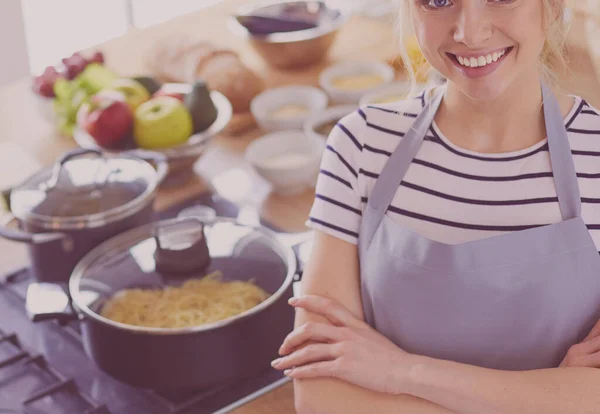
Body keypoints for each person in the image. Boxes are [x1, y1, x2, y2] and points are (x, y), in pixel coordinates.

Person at [270, 0, 600, 413]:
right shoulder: (362, 145)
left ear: (551, 7)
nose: (468, 31)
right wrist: (546, 398)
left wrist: (401, 373)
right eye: (438, 1)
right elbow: (322, 398)